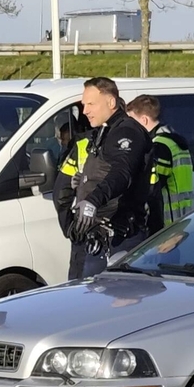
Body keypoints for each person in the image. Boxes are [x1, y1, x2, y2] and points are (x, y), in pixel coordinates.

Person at [54, 77, 153, 278]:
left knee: (115, 303)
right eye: (83, 105)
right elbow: (103, 170)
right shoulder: (104, 131)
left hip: (121, 238)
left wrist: (92, 199)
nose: (85, 111)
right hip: (97, 238)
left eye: (91, 104)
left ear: (111, 103)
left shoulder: (126, 131)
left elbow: (121, 172)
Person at [126, 95, 194, 235]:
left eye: (132, 122)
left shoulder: (159, 146)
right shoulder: (173, 140)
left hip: (164, 224)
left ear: (144, 120)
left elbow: (151, 188)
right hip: (181, 218)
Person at [54, 110, 96, 281]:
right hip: (124, 234)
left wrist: (70, 226)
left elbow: (60, 194)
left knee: (81, 289)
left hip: (86, 230)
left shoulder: (82, 145)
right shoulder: (137, 142)